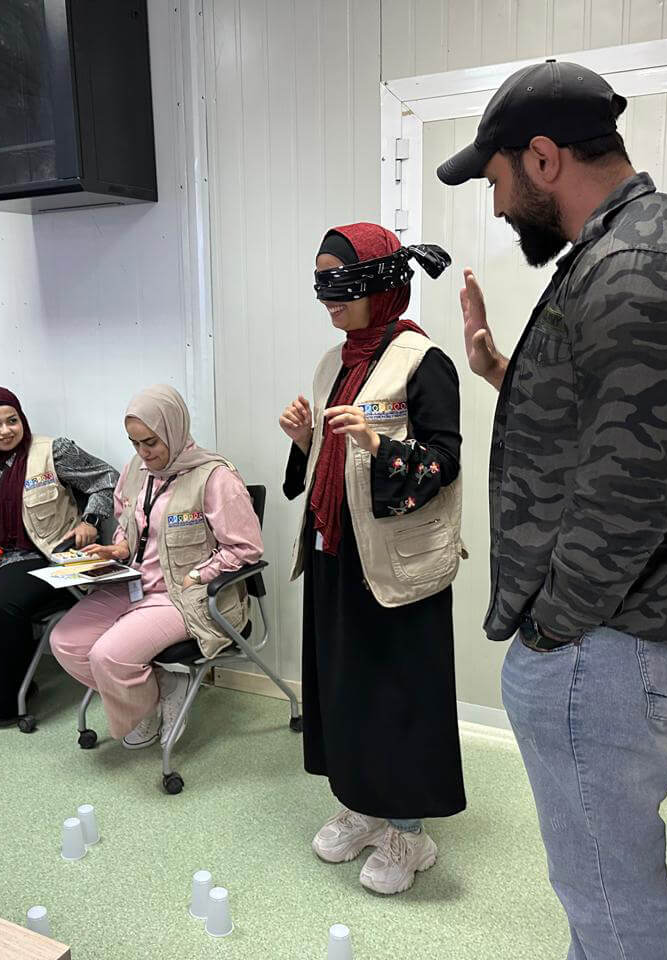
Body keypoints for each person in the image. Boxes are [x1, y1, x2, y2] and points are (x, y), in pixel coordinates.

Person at [437, 61, 667, 959]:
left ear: (541, 157)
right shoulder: (629, 246)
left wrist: (551, 631)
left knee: (608, 892)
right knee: (600, 883)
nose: (494, 208)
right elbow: (615, 427)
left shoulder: (636, 264)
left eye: (494, 182)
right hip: (611, 634)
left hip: (604, 640)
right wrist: (502, 371)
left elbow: (626, 496)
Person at [279, 222, 465, 896]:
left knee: (399, 697)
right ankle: (361, 802)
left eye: (340, 285)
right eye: (320, 284)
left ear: (382, 286)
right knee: (344, 686)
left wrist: (380, 447)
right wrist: (306, 441)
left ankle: (408, 834)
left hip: (396, 567)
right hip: (335, 552)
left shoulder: (424, 361)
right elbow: (323, 465)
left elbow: (443, 463)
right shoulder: (335, 362)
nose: (327, 300)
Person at [50, 385, 262, 750]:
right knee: (66, 642)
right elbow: (127, 523)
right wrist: (118, 548)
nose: (143, 454)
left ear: (174, 430)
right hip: (133, 584)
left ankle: (143, 704)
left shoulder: (215, 477)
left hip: (182, 594)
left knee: (108, 656)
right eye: (134, 444)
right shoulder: (136, 470)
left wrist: (200, 575)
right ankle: (162, 689)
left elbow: (246, 548)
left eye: (151, 443)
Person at [0, 386, 117, 728]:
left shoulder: (53, 451)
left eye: (12, 421)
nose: (5, 431)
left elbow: (107, 481)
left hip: (42, 551)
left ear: (22, 419)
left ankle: (11, 696)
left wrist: (90, 521)